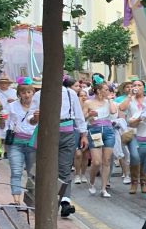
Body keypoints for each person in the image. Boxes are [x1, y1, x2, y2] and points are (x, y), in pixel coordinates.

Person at [33, 76, 89, 217]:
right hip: (47, 134)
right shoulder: (39, 94)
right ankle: (45, 200)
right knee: (47, 168)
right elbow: (31, 118)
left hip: (68, 133)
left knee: (64, 169)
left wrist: (83, 134)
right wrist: (34, 117)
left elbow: (78, 115)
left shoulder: (70, 94)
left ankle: (65, 202)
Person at [83, 77, 118, 198]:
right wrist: (89, 115)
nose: (108, 91)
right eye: (106, 90)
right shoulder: (88, 102)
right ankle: (92, 183)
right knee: (97, 162)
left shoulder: (108, 102)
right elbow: (83, 119)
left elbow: (113, 112)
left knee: (107, 160)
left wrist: (110, 100)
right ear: (99, 91)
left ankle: (103, 188)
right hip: (95, 131)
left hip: (108, 131)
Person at [6, 78, 37, 206]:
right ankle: (16, 200)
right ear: (19, 94)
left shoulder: (38, 106)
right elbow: (6, 125)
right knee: (16, 171)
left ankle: (30, 199)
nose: (26, 95)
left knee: (32, 173)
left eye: (29, 92)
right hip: (16, 143)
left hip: (32, 143)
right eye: (23, 93)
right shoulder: (12, 106)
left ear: (33, 93)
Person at [0, 74, 17, 161]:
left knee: (8, 134)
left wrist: (13, 101)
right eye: (2, 83)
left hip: (10, 115)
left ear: (8, 84)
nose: (3, 85)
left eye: (5, 83)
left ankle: (6, 152)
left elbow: (18, 101)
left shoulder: (13, 92)